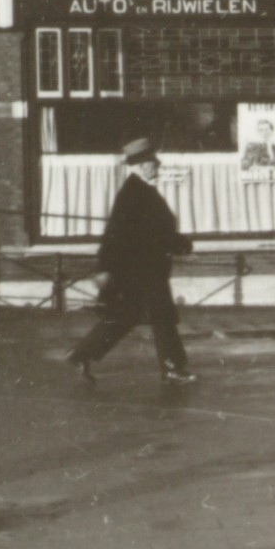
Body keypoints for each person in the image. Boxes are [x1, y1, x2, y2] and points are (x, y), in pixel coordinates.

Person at [66, 137, 197, 382]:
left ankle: (81, 354)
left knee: (125, 317)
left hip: (140, 269)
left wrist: (177, 242)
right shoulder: (135, 194)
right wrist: (180, 243)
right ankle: (172, 368)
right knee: (161, 317)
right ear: (144, 165)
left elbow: (147, 231)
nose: (158, 165)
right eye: (154, 161)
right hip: (142, 270)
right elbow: (123, 234)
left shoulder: (139, 190)